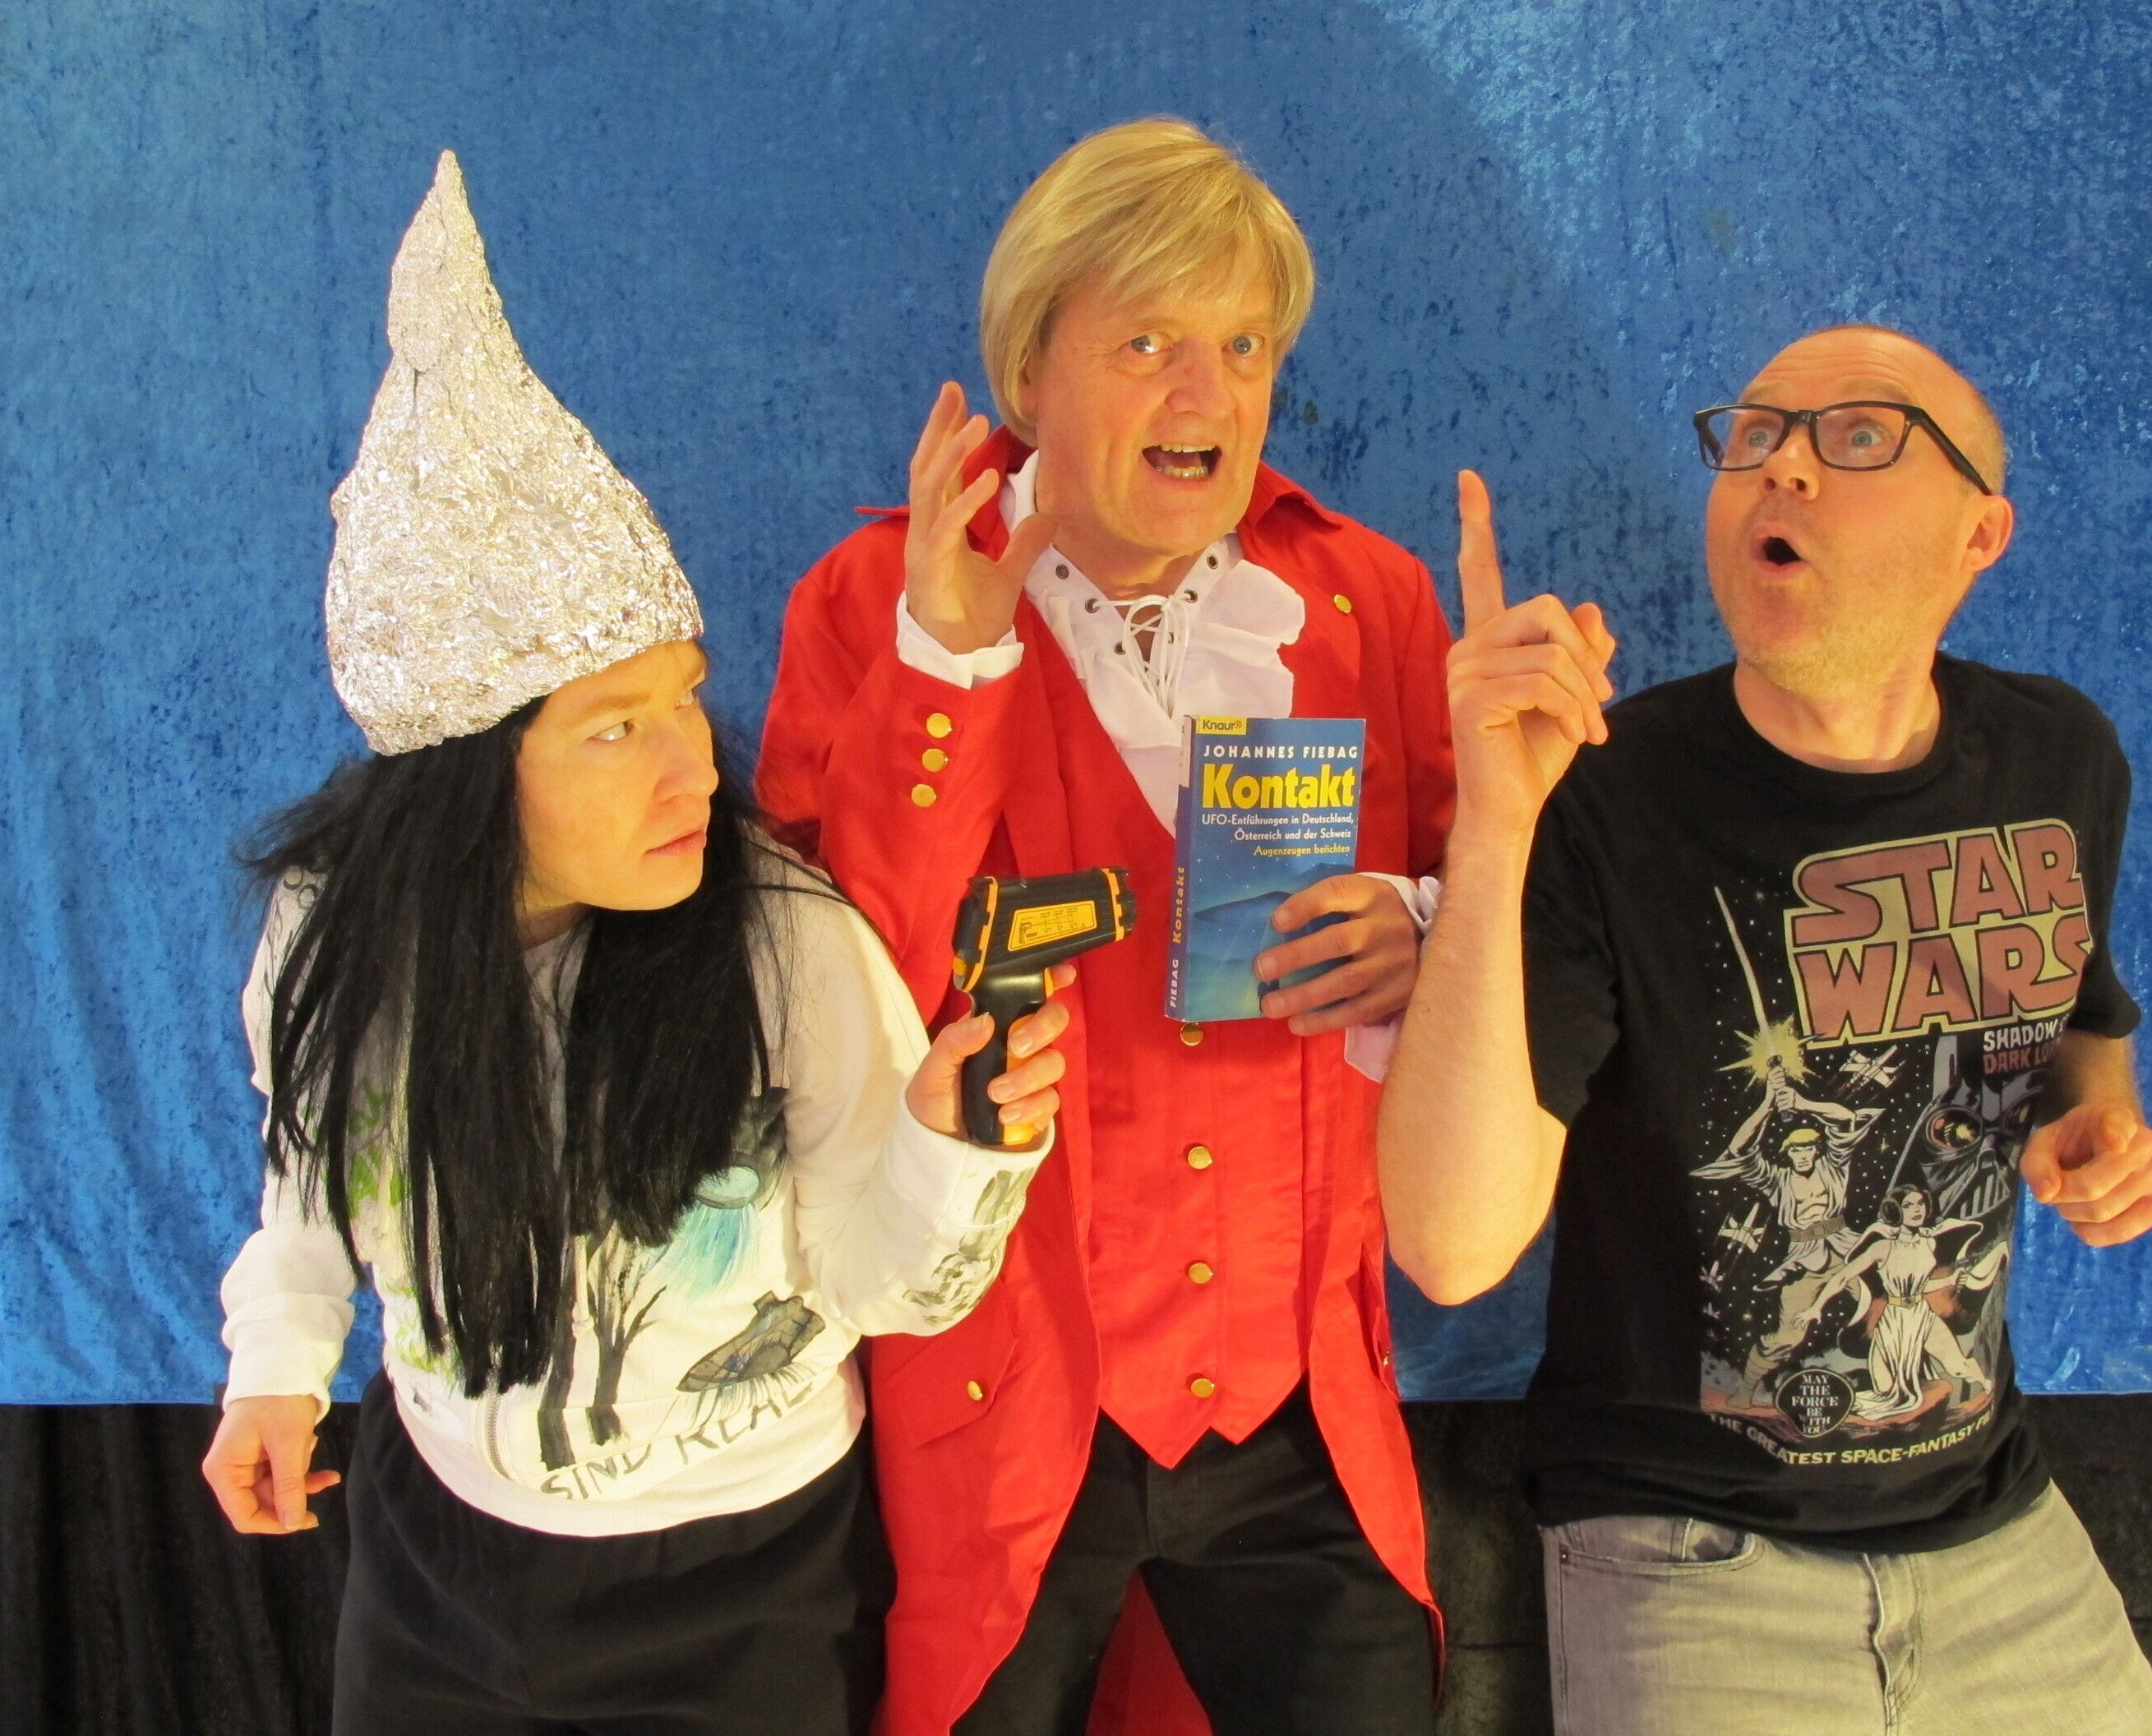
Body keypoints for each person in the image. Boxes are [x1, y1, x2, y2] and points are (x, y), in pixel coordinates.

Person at [201, 152, 1071, 1736]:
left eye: (685, 699)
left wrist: (953, 1149)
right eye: (615, 728)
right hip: (439, 1573)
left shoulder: (782, 945)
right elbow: (315, 1183)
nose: (691, 771)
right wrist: (276, 1364)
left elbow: (890, 1291)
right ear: (467, 777)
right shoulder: (333, 938)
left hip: (742, 1593)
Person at [1381, 323, 2152, 1732]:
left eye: (1862, 436)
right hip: (1688, 1551)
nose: (1784, 466)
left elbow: (2083, 1015)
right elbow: (1452, 1248)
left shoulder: (2059, 758)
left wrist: (2094, 1117)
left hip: (2001, 1525)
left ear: (1980, 535)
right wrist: (1496, 822)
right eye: (1754, 435)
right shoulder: (1604, 800)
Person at [758, 119, 1451, 1735]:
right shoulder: (871, 599)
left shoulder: (1368, 599)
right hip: (1002, 1409)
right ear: (1029, 371)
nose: (1206, 391)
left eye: (1243, 346)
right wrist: (949, 659)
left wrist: (1425, 923)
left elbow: (1493, 930)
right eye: (1147, 343)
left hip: (1304, 1409)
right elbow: (835, 991)